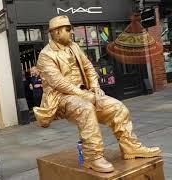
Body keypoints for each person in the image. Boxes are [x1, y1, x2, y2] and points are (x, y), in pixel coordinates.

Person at [33, 16, 161, 173]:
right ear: (56, 32)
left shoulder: (74, 47)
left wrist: (94, 86)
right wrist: (83, 95)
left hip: (84, 93)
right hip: (61, 98)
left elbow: (88, 67)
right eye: (68, 29)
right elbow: (58, 82)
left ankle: (131, 148)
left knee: (117, 107)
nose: (72, 32)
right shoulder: (46, 55)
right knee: (85, 109)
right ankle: (93, 157)